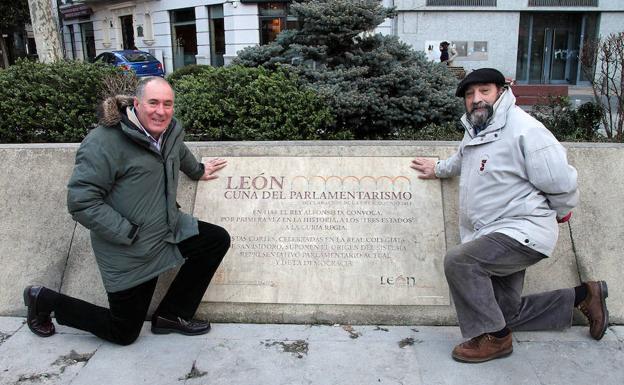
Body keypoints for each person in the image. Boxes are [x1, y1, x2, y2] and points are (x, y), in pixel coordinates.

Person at [410, 68, 609, 363]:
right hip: (495, 232)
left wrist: (562, 211)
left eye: (484, 91)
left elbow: (561, 182)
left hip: (521, 232)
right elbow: (463, 158)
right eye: (469, 94)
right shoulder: (478, 129)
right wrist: (437, 169)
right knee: (504, 312)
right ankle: (584, 296)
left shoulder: (525, 130)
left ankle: (497, 340)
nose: (476, 99)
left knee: (460, 261)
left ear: (501, 92)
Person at [23, 77, 230, 345]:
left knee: (215, 240)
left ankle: (171, 314)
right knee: (123, 332)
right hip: (129, 248)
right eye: (153, 103)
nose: (161, 111)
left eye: (168, 104)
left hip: (167, 229)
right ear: (136, 104)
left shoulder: (169, 130)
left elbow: (176, 149)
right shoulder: (103, 142)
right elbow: (81, 202)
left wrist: (198, 170)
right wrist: (128, 232)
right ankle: (44, 300)